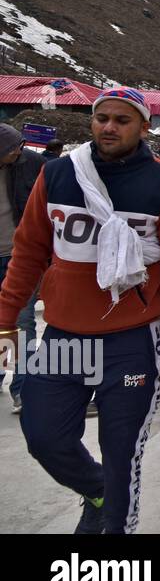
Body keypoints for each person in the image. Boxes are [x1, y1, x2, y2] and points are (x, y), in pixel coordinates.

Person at [0, 88, 160, 533]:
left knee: (121, 451)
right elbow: (29, 251)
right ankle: (99, 488)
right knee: (44, 436)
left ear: (144, 128)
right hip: (64, 337)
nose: (109, 126)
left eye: (121, 120)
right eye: (101, 118)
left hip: (131, 339)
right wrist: (6, 320)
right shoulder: (59, 175)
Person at [0, 123, 44, 413]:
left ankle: (23, 389)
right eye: (13, 149)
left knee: (22, 323)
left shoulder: (33, 165)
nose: (19, 151)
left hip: (19, 257)